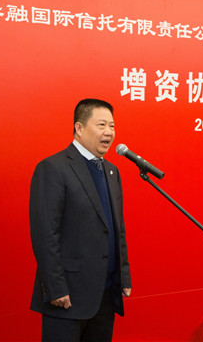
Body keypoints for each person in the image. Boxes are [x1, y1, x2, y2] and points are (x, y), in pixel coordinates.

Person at [29, 98, 132, 341]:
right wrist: (55, 288)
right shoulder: (53, 168)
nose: (109, 132)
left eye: (112, 126)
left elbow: (117, 229)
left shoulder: (111, 171)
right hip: (67, 295)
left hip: (105, 294)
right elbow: (45, 234)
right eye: (101, 125)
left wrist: (123, 276)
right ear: (79, 127)